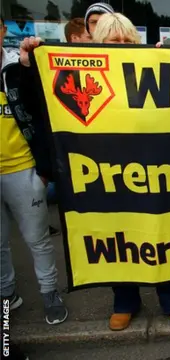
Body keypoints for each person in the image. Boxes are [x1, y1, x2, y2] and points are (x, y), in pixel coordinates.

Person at [18, 12, 170, 331]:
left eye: (128, 40)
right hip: (106, 172)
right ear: (99, 43)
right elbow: (41, 104)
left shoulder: (152, 66)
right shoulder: (82, 74)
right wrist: (33, 64)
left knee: (164, 232)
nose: (122, 46)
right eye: (114, 41)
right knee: (118, 236)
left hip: (155, 170)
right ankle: (125, 301)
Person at [1, 16, 68, 326]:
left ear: (2, 30)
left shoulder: (17, 67)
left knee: (37, 239)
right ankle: (7, 294)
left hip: (22, 169)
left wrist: (42, 169)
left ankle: (49, 293)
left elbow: (41, 111)